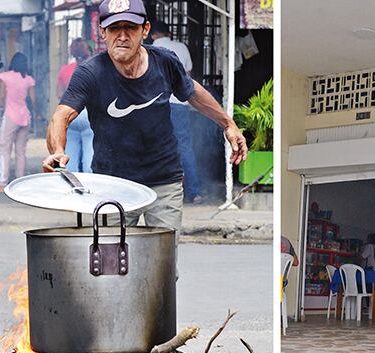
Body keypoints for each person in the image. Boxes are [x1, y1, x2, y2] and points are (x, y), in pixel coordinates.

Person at [44, 0, 247, 232]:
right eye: (114, 28)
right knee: (111, 253)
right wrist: (57, 151)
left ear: (145, 30)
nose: (122, 36)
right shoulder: (90, 72)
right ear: (103, 32)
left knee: (163, 254)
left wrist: (228, 124)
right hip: (112, 184)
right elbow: (61, 116)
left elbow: (192, 91)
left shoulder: (165, 61)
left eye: (130, 28)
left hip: (164, 181)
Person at [150, 20, 204, 204]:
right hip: (180, 103)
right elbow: (188, 77)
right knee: (185, 147)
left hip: (156, 105)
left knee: (156, 146)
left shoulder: (150, 49)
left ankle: (155, 192)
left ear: (152, 34)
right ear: (169, 33)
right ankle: (194, 193)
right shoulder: (181, 48)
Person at [0, 53, 37, 192]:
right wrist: (38, 114)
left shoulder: (5, 77)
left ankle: (3, 183)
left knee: (5, 150)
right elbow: (33, 100)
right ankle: (20, 183)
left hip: (11, 116)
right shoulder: (28, 79)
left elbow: (1, 97)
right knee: (20, 151)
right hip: (25, 116)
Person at [57, 39, 94, 173]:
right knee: (89, 153)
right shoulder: (94, 68)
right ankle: (89, 180)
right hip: (88, 113)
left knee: (70, 155)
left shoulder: (65, 70)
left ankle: (71, 181)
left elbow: (59, 93)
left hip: (69, 113)